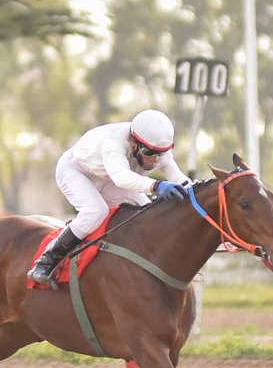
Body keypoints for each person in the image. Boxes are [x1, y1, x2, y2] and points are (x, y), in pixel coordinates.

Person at [27, 109, 193, 290]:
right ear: (133, 141)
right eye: (148, 152)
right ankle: (44, 262)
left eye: (159, 154)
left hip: (106, 178)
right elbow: (120, 177)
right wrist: (157, 185)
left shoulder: (157, 149)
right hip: (75, 171)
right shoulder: (115, 141)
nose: (154, 160)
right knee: (96, 211)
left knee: (147, 210)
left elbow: (179, 178)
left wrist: (198, 192)